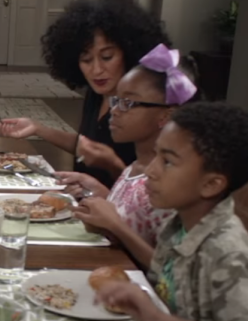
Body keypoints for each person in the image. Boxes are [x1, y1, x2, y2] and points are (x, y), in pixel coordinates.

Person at [96, 102, 248, 321]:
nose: (150, 172)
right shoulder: (177, 225)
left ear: (211, 184)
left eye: (168, 161)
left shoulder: (227, 251)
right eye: (155, 155)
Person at [0, 0, 171, 188]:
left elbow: (146, 193)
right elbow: (87, 146)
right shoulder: (96, 94)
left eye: (107, 57)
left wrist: (112, 165)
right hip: (83, 203)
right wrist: (38, 128)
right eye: (86, 60)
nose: (97, 70)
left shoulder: (143, 106)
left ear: (128, 52)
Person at [63, 44, 199, 267]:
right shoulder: (135, 165)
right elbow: (136, 216)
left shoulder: (169, 185)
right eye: (117, 100)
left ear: (166, 115)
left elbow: (169, 273)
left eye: (128, 103)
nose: (114, 111)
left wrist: (116, 226)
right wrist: (102, 194)